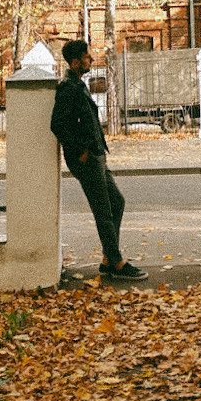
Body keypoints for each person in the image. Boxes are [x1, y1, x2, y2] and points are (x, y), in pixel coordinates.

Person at [50, 39, 147, 279]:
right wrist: (80, 151)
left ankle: (108, 258)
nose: (91, 60)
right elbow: (57, 124)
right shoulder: (68, 88)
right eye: (86, 57)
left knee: (117, 202)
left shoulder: (78, 84)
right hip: (87, 159)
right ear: (75, 62)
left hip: (96, 155)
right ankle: (116, 263)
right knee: (104, 210)